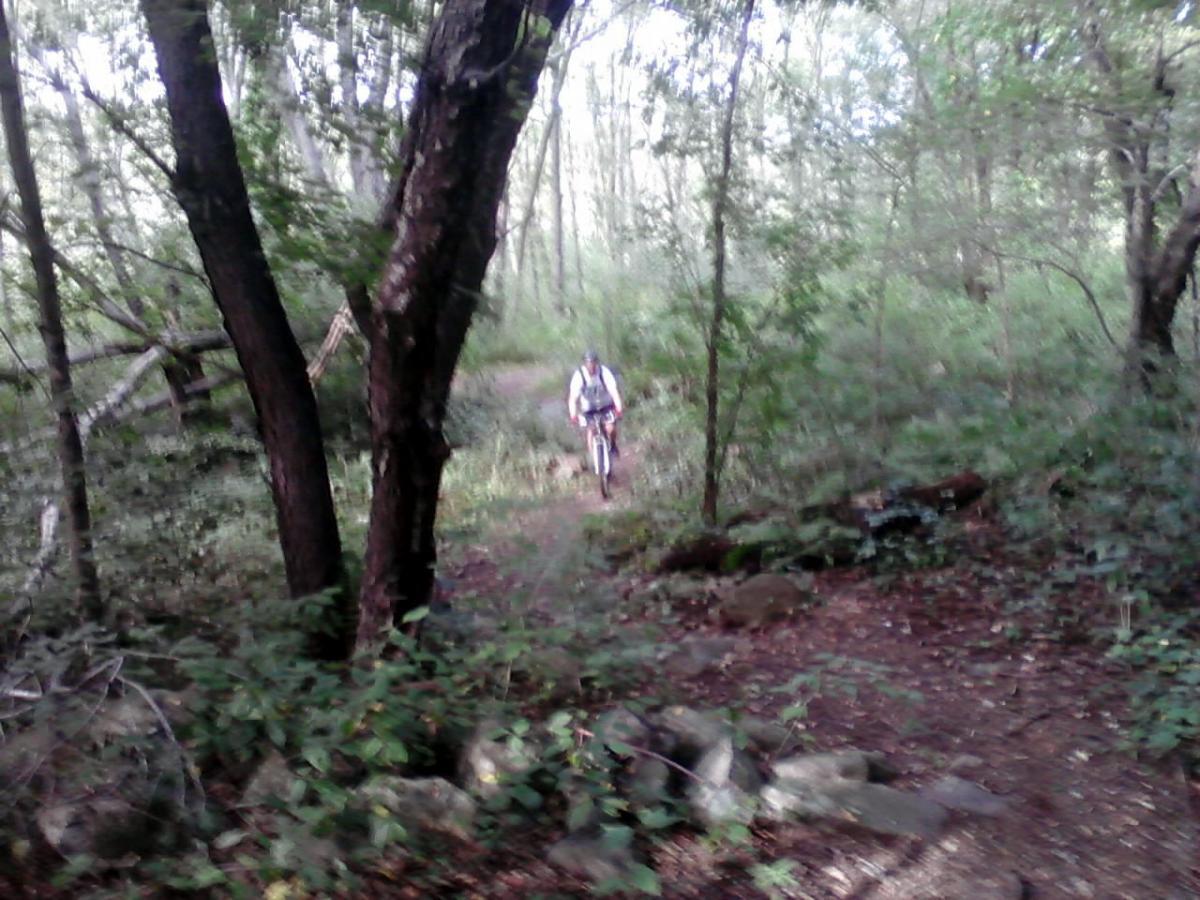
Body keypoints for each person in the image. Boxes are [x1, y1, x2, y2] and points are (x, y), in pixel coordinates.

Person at [567, 349, 623, 456]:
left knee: (610, 428)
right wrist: (573, 415)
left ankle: (612, 444)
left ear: (597, 363)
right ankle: (593, 457)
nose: (591, 367)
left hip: (606, 404)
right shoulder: (579, 376)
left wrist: (618, 409)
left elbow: (614, 392)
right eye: (588, 364)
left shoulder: (604, 372)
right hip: (588, 407)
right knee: (591, 429)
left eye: (593, 363)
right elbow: (573, 398)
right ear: (585, 364)